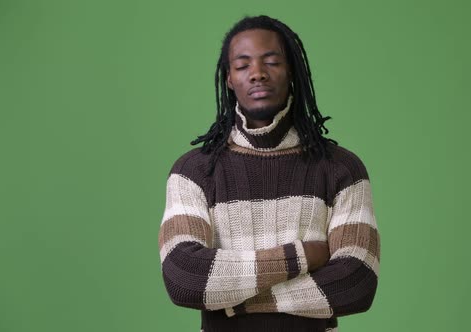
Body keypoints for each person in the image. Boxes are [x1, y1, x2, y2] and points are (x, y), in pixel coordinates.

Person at [157, 15, 380, 332]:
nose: (258, 74)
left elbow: (356, 281)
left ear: (292, 71)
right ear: (229, 79)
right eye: (243, 65)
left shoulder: (341, 169)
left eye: (271, 61)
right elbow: (184, 276)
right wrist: (301, 256)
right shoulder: (194, 171)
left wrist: (237, 300)